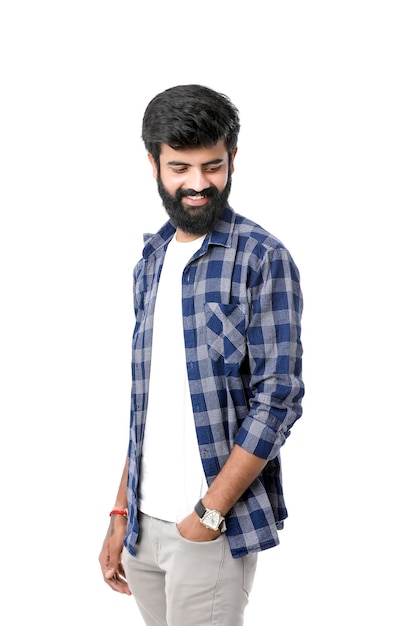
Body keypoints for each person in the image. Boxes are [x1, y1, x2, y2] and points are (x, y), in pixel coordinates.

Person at [98, 84, 304, 626]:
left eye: (212, 166)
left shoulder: (262, 258)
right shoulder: (150, 262)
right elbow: (149, 403)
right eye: (179, 167)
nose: (197, 183)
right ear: (153, 163)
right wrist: (121, 512)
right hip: (143, 526)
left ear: (233, 158)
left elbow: (278, 399)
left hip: (210, 526)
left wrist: (209, 513)